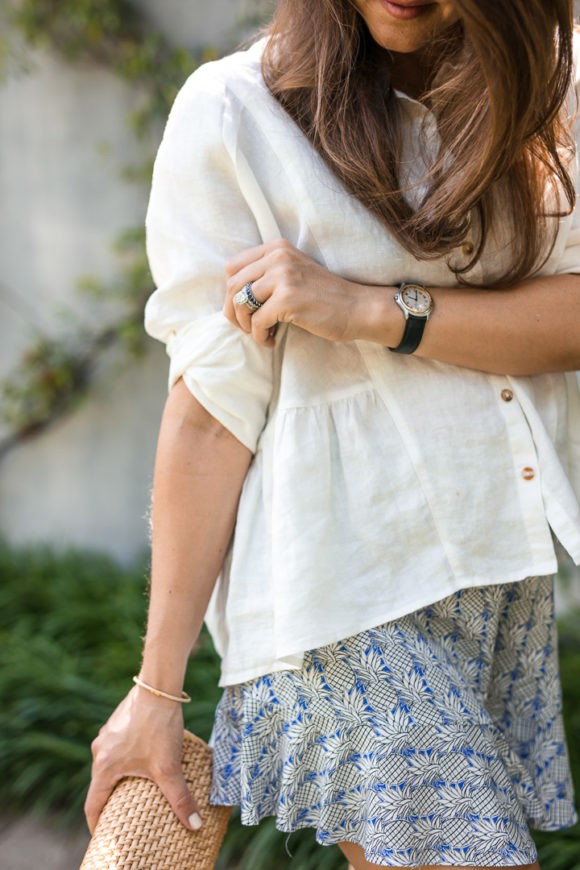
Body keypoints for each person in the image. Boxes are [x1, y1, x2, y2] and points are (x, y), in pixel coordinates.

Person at [84, 0, 580, 867]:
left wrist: (368, 309)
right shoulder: (238, 112)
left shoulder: (546, 87)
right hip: (340, 591)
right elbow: (209, 414)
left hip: (495, 569)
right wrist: (155, 690)